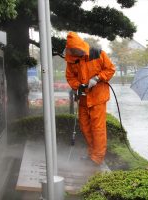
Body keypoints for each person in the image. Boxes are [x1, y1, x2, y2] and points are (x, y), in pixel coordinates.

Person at [65, 32, 115, 165]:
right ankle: (92, 153)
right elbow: (70, 77)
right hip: (83, 98)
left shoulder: (97, 53)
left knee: (98, 128)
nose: (76, 52)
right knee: (85, 127)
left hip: (98, 98)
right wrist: (78, 86)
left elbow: (110, 69)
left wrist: (97, 78)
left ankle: (97, 158)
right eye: (73, 50)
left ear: (81, 46)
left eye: (77, 50)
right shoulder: (71, 59)